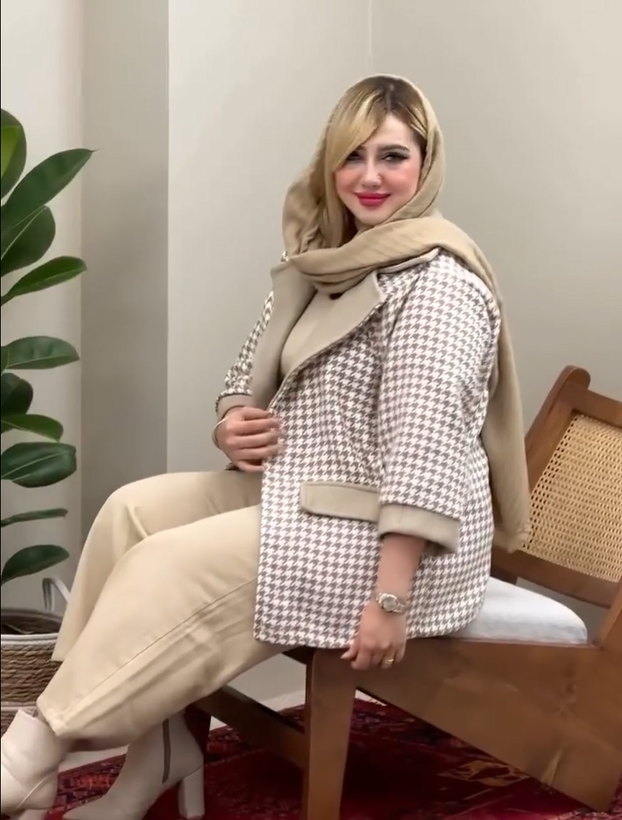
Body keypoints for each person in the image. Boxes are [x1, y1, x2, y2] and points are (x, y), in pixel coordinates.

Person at [0, 75, 530, 820]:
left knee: (166, 563)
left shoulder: (440, 286)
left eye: (392, 156)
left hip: (402, 542)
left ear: (427, 162)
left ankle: (29, 753)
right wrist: (232, 423)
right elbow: (245, 373)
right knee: (132, 513)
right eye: (351, 157)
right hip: (316, 493)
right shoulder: (329, 262)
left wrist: (390, 598)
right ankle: (157, 756)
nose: (370, 177)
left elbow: (426, 452)